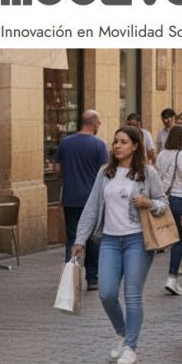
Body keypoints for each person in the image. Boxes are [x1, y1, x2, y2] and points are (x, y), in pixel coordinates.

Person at [70, 126, 168, 364]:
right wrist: (80, 239)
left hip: (138, 240)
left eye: (123, 142)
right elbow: (92, 206)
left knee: (132, 295)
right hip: (110, 241)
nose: (117, 146)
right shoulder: (106, 173)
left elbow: (163, 203)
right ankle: (122, 332)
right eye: (115, 142)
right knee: (106, 292)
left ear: (135, 146)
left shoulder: (147, 173)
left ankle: (130, 347)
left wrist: (148, 203)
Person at [53, 109, 108, 291]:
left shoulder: (66, 143)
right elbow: (106, 172)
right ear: (93, 124)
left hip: (71, 198)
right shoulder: (99, 145)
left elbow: (56, 169)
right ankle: (92, 279)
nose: (99, 126)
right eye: (99, 123)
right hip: (91, 200)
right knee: (93, 239)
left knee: (72, 238)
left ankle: (71, 279)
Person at [155, 125, 182, 295]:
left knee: (174, 236)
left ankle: (179, 267)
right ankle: (172, 276)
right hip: (179, 198)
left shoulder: (161, 154)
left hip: (165, 198)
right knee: (180, 239)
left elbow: (157, 174)